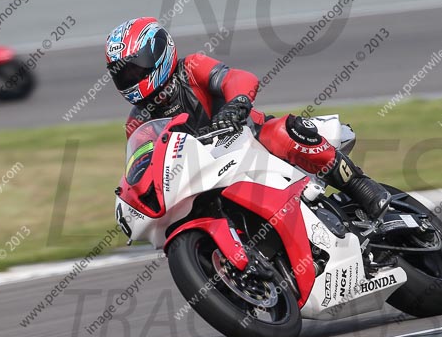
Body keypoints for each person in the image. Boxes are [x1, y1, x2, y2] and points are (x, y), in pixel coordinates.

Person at [106, 17, 390, 220]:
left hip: (250, 140)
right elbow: (144, 166)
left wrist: (236, 104)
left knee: (282, 131)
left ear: (157, 54)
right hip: (203, 177)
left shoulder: (190, 68)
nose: (130, 78)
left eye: (134, 70)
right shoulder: (136, 122)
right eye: (122, 74)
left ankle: (360, 186)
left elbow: (238, 78)